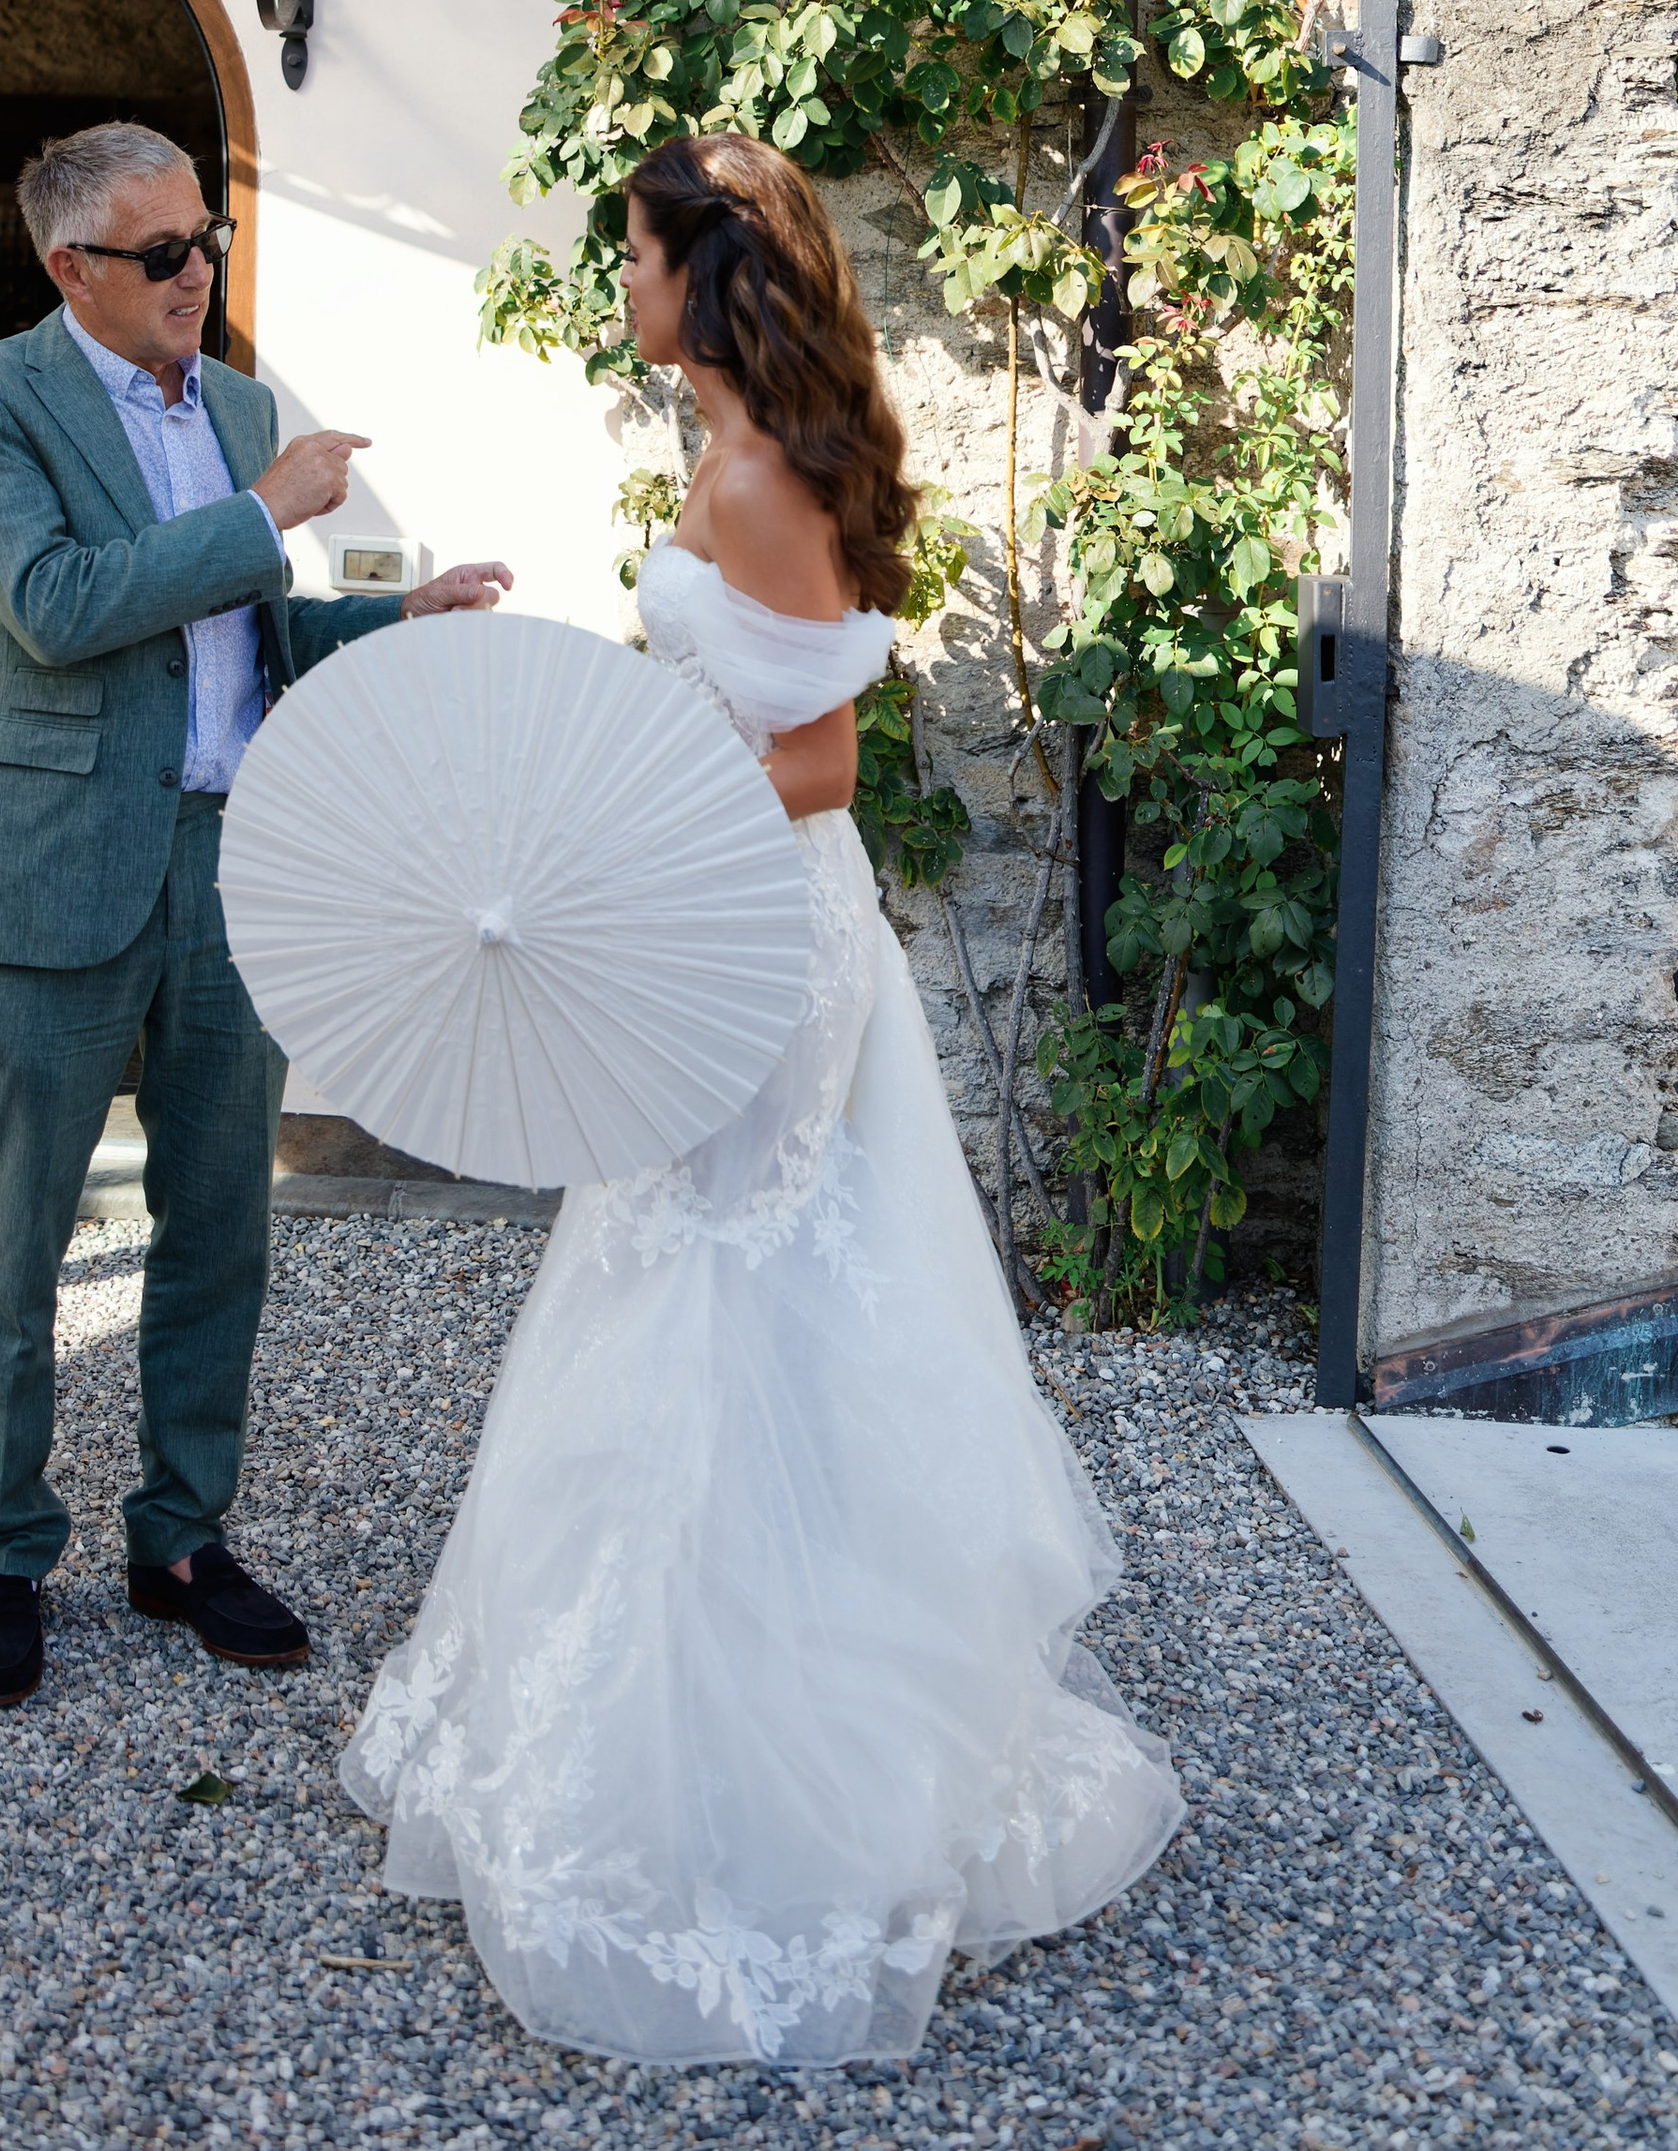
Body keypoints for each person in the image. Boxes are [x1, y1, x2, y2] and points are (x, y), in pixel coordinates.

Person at [341, 133, 1181, 2065]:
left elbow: (816, 758)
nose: (619, 282)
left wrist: (621, 789)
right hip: (727, 922)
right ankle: (692, 1699)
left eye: (633, 252)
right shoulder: (741, 461)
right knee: (687, 1287)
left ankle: (760, 1763)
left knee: (731, 1300)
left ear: (702, 277)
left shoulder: (750, 478)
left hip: (757, 943)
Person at [0, 119, 512, 1713]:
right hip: (50, 866)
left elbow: (248, 636)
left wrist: (392, 615)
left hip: (235, 868)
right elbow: (58, 612)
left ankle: (182, 1538)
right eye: (162, 253)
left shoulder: (236, 406)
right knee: (17, 1234)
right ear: (71, 270)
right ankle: (5, 1552)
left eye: (207, 242)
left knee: (223, 1223)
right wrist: (260, 509)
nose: (197, 274)